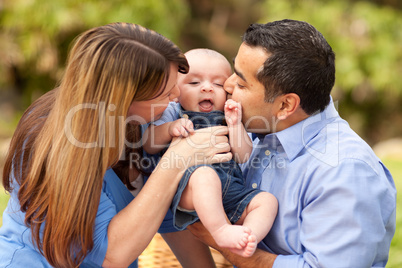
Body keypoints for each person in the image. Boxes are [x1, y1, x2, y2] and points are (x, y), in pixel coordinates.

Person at [0, 23, 232, 268]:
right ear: (124, 99)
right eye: (164, 94)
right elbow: (112, 255)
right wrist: (177, 160)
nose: (177, 95)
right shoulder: (49, 140)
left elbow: (163, 210)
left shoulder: (144, 124)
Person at [187, 19, 397, 268]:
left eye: (242, 83)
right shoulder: (255, 127)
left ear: (285, 105)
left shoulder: (344, 171)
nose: (228, 85)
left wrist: (224, 242)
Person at [143, 48, 278, 257]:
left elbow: (243, 156)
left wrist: (234, 126)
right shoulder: (172, 111)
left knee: (267, 201)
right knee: (205, 176)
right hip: (189, 189)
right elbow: (149, 143)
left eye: (217, 84)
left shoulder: (231, 114)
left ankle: (247, 236)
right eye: (194, 83)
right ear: (176, 90)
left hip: (232, 193)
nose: (207, 89)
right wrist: (169, 129)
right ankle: (221, 230)